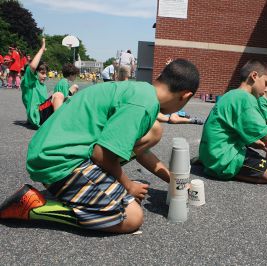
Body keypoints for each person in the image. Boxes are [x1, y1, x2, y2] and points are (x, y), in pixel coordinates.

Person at [0, 59, 200, 234]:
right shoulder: (143, 104)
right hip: (60, 161)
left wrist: (174, 180)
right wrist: (128, 185)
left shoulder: (140, 91)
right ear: (185, 95)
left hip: (51, 150)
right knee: (131, 217)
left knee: (154, 130)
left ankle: (89, 188)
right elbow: (102, 154)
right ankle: (34, 207)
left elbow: (141, 151)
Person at [20, 38, 64, 128]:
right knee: (58, 95)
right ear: (35, 73)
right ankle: (60, 126)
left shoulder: (42, 86)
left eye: (46, 74)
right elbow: (32, 66)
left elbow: (38, 103)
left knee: (68, 98)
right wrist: (41, 49)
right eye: (42, 73)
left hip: (42, 113)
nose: (45, 76)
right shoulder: (29, 83)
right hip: (39, 116)